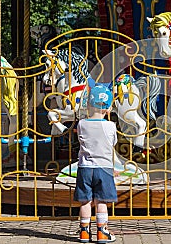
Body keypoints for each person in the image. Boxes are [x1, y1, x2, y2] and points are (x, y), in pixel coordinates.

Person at [74, 84, 117, 243]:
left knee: (85, 201)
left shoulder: (82, 124)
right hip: (104, 168)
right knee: (101, 201)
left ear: (89, 105)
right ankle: (102, 232)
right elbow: (112, 144)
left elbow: (80, 140)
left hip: (85, 168)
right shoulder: (110, 126)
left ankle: (84, 232)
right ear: (108, 107)